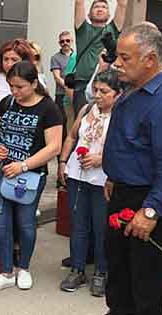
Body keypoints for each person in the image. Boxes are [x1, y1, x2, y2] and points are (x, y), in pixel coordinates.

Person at [103, 23, 162, 315]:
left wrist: (151, 210)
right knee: (119, 279)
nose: (117, 63)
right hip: (122, 193)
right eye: (117, 55)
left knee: (144, 286)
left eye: (125, 57)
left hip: (147, 202)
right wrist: (113, 176)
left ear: (150, 60)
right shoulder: (133, 90)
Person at [0, 61, 62, 292]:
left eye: (20, 87)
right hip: (1, 171)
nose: (14, 91)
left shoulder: (48, 108)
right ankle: (6, 272)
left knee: (25, 223)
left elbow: (54, 147)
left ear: (34, 84)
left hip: (30, 175)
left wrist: (24, 165)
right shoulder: (7, 103)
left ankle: (24, 268)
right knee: (1, 223)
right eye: (11, 86)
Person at [58, 69, 121, 297]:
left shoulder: (121, 115)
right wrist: (63, 161)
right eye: (95, 90)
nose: (98, 95)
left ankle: (102, 272)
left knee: (101, 227)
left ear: (117, 94)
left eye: (104, 91)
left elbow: (126, 149)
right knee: (78, 224)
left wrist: (101, 158)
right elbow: (72, 136)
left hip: (104, 178)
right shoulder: (86, 109)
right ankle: (77, 268)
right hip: (78, 175)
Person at [72, 0, 127, 115]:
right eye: (96, 7)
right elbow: (79, 3)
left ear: (109, 15)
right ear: (89, 14)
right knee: (82, 124)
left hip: (106, 85)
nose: (100, 9)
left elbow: (122, 5)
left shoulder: (113, 29)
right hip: (82, 84)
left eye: (104, 7)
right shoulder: (82, 29)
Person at [51, 31, 74, 108]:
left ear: (72, 41)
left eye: (67, 40)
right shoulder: (55, 57)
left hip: (76, 94)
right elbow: (57, 77)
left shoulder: (77, 56)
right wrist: (68, 89)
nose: (65, 43)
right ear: (59, 43)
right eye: (62, 41)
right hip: (61, 94)